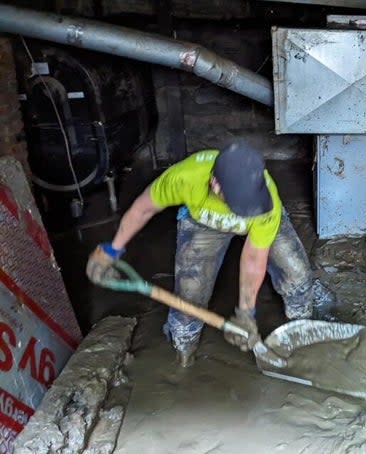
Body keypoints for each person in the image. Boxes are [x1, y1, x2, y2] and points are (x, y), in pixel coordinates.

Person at [86, 141, 316, 367]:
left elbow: (254, 257)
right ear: (215, 184)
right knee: (189, 295)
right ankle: (184, 352)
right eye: (239, 205)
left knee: (297, 274)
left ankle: (302, 328)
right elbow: (143, 209)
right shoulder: (185, 177)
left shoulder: (266, 202)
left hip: (263, 219)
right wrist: (112, 250)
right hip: (203, 221)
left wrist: (246, 312)